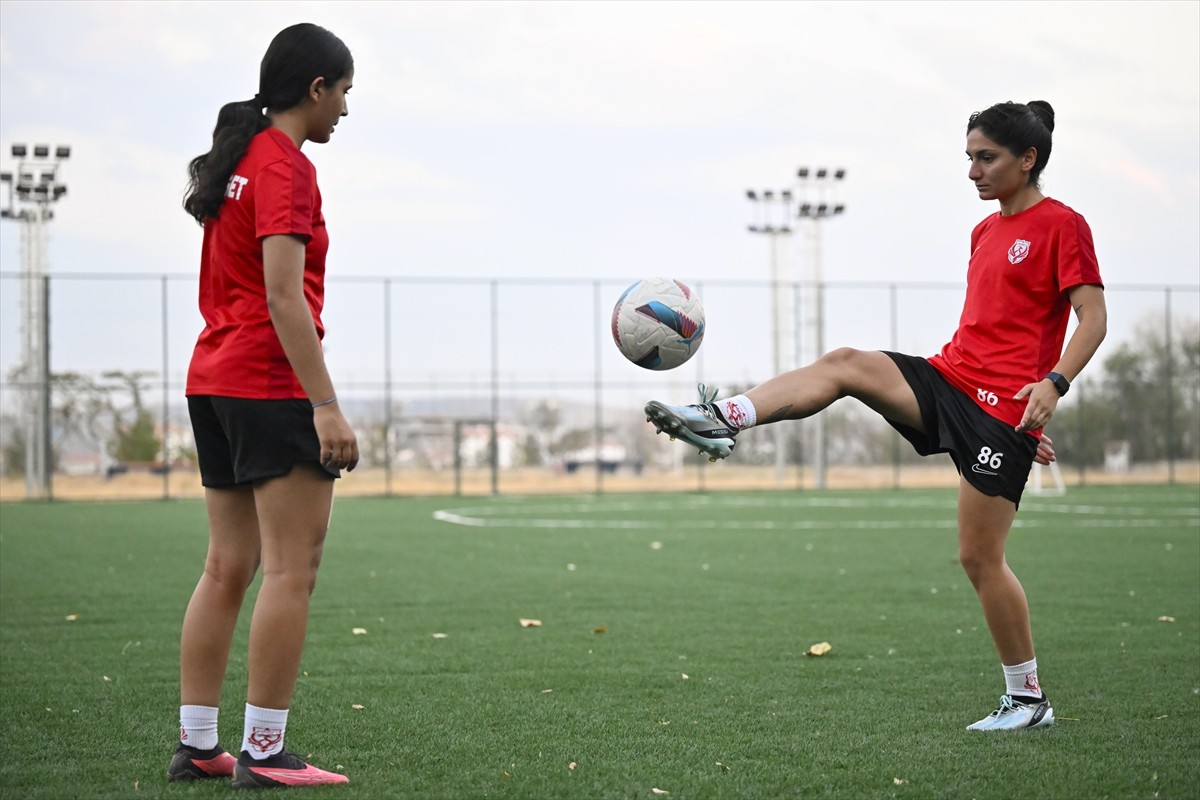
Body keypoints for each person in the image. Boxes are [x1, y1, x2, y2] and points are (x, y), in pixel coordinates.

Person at [645, 100, 1107, 732]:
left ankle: (1028, 700)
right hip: (951, 378)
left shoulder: (1064, 225)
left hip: (1001, 414)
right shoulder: (984, 231)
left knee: (979, 558)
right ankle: (724, 414)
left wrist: (1051, 387)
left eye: (986, 158)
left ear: (1028, 160)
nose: (973, 171)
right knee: (847, 363)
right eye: (969, 157)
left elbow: (1093, 320)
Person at [167, 23, 359, 787]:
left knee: (227, 567)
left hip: (213, 377)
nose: (345, 109)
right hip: (269, 382)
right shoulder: (283, 166)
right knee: (291, 570)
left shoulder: (237, 158)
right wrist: (327, 407)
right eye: (343, 92)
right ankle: (266, 751)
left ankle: (198, 743)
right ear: (315, 89)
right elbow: (284, 297)